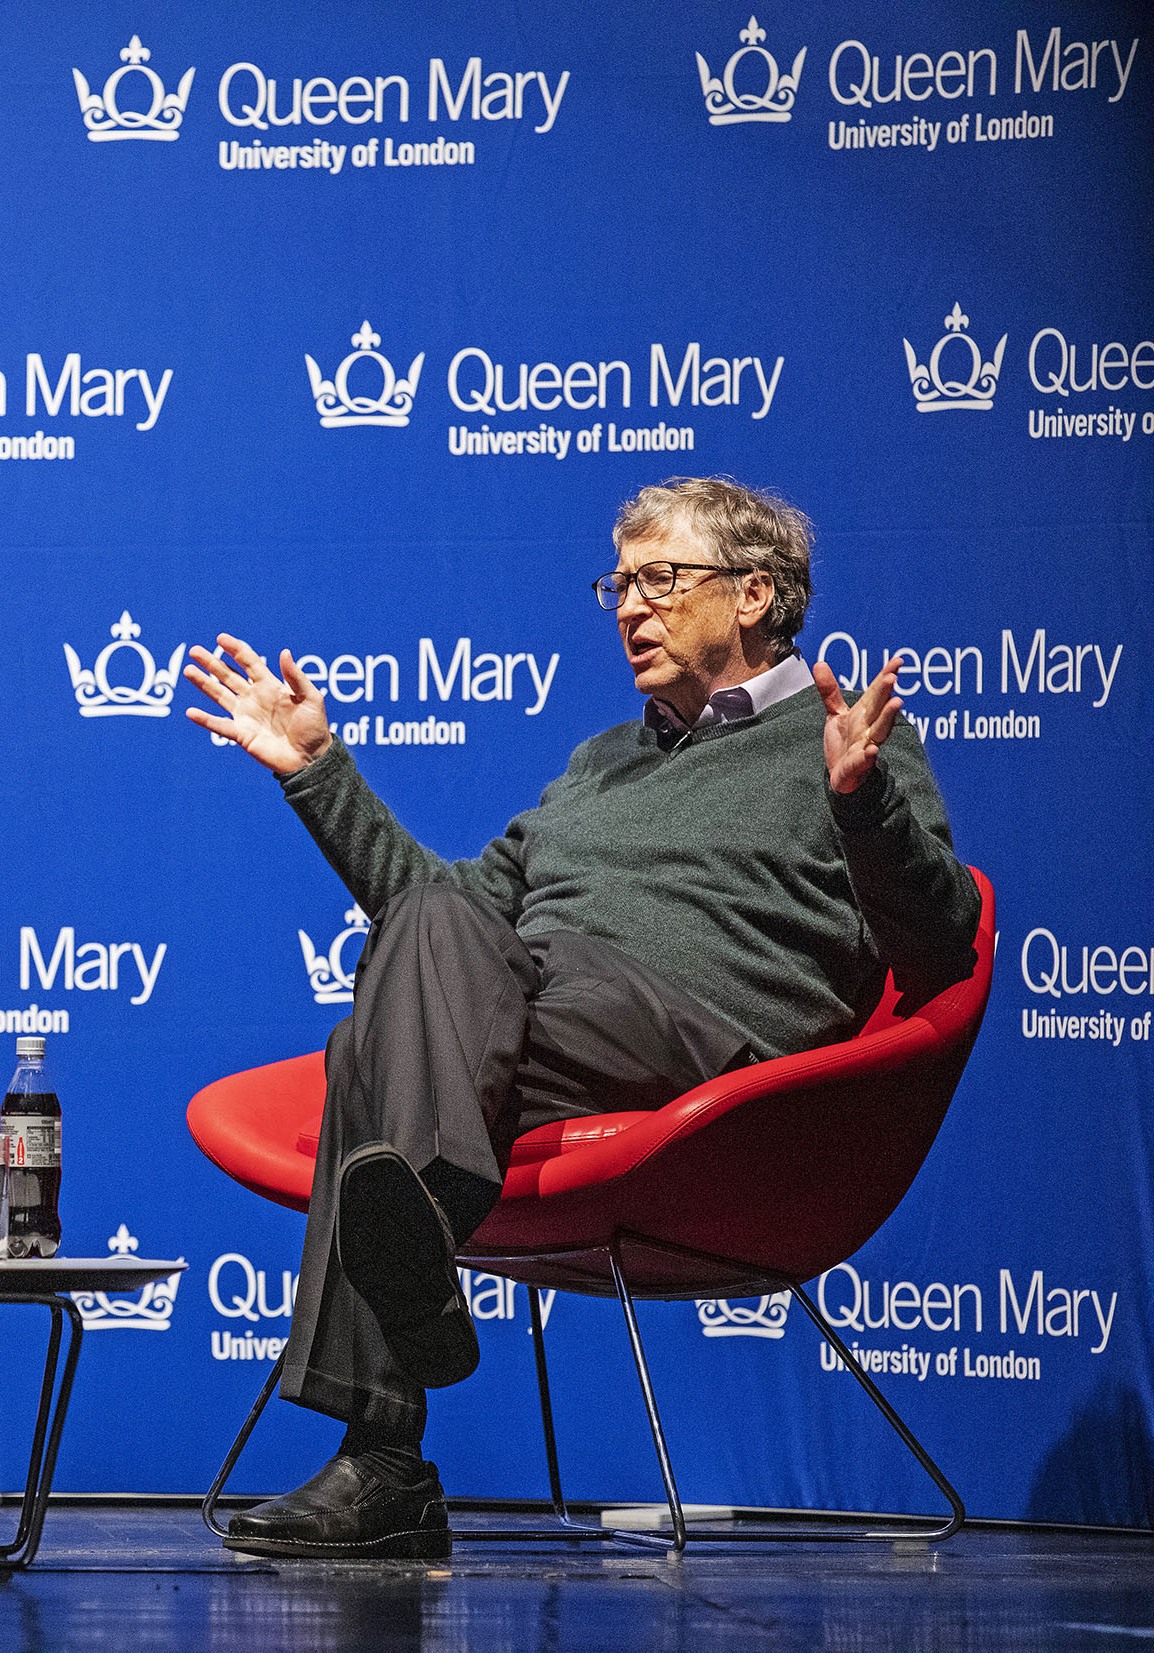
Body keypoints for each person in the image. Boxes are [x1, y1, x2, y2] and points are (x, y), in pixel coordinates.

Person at [183, 476, 978, 1560]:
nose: (627, 607)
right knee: (427, 922)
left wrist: (858, 800)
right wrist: (320, 775)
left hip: (699, 1042)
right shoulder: (598, 762)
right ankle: (417, 1242)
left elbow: (937, 940)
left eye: (659, 580)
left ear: (752, 594)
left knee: (364, 1051)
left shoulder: (838, 745)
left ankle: (381, 1452)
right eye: (618, 583)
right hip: (542, 1007)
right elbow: (442, 917)